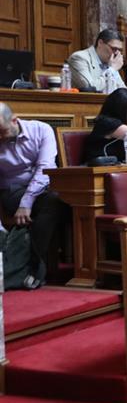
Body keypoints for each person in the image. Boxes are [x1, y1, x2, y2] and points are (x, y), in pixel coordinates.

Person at [0, 102, 69, 278]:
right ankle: (34, 269)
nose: (0, 137)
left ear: (14, 120)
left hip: (44, 187)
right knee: (52, 203)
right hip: (12, 190)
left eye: (2, 131)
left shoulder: (41, 130)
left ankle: (31, 268)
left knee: (60, 201)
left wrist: (27, 202)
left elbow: (45, 168)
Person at [67, 29, 127, 94]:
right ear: (100, 43)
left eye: (119, 50)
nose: (116, 53)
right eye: (114, 48)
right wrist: (112, 70)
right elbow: (90, 88)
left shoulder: (110, 61)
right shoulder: (79, 58)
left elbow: (123, 90)